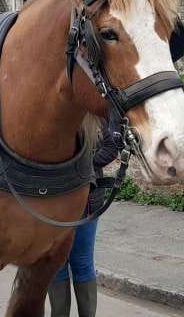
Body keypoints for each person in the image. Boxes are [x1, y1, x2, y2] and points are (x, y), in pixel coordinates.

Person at [48, 118, 123, 317]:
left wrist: (85, 165)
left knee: (82, 261)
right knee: (56, 264)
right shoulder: (54, 115)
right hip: (54, 203)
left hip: (87, 202)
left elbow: (111, 147)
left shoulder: (95, 119)